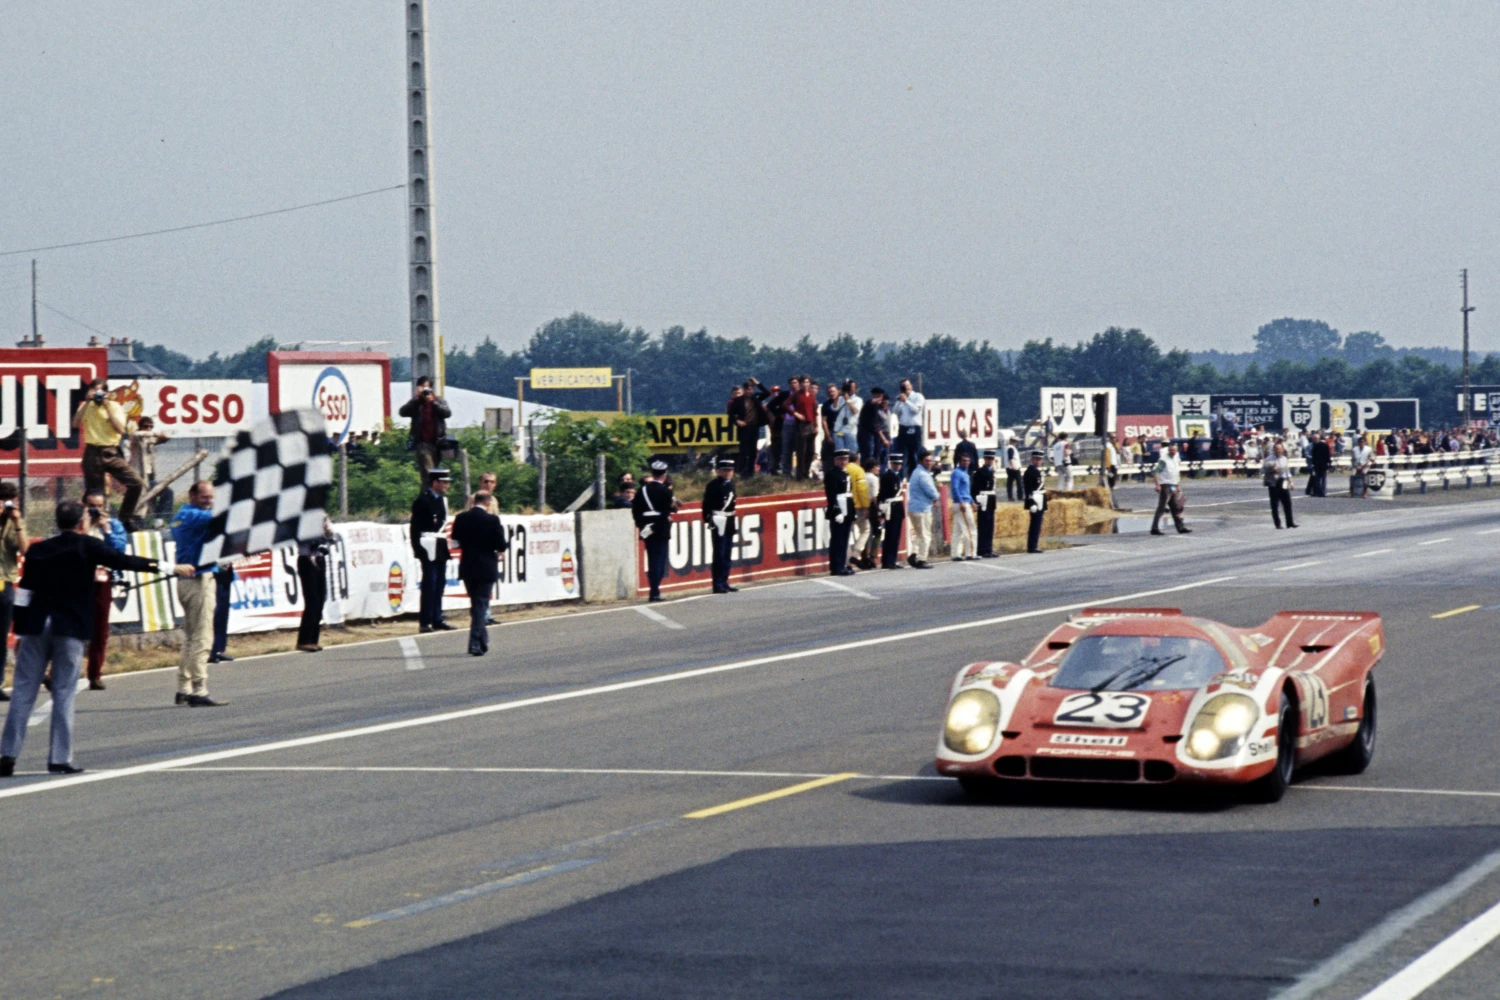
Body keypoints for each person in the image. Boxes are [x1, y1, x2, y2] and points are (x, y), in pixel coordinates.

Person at [1, 500, 192, 776]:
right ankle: (59, 758)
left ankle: (7, 755)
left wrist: (19, 626)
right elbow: (124, 560)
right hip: (69, 627)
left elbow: (25, 591)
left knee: (23, 691)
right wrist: (169, 567)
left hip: (36, 625)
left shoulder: (39, 549)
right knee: (64, 691)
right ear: (82, 523)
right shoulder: (87, 546)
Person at [170, 481, 229, 706]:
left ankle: (183, 687)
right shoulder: (195, 516)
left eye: (211, 497)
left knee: (191, 637)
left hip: (186, 581)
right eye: (205, 497)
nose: (209, 501)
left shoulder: (181, 515)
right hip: (197, 582)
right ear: (192, 495)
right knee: (203, 638)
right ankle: (199, 689)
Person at [73, 378, 144, 527]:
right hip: (93, 451)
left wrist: (106, 405)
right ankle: (91, 523)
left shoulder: (114, 406)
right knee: (95, 494)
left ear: (106, 392)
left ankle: (125, 518)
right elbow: (75, 423)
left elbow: (120, 428)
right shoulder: (87, 406)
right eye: (94, 391)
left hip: (111, 451)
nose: (97, 395)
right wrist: (87, 402)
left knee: (136, 483)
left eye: (100, 391)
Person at [452, 492, 509, 655]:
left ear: (474, 501)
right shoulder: (492, 520)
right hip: (486, 566)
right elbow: (501, 544)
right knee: (480, 604)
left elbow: (455, 542)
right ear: (489, 502)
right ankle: (474, 642)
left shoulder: (461, 518)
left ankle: (482, 639)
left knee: (476, 604)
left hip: (468, 566)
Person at [82, 491, 127, 690]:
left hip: (101, 578)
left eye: (99, 506)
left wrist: (106, 530)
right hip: (78, 579)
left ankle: (95, 674)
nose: (95, 510)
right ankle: (53, 671)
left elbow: (119, 550)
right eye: (91, 505)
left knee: (100, 629)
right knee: (69, 628)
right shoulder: (76, 522)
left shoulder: (113, 525)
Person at [411, 468, 455, 632]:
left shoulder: (442, 501)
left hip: (439, 546)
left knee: (440, 583)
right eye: (443, 482)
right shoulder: (422, 501)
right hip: (428, 545)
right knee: (429, 583)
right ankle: (425, 620)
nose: (446, 486)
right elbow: (415, 528)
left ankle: (437, 617)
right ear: (435, 483)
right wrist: (418, 549)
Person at [633, 459, 677, 600]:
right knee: (659, 560)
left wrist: (643, 526)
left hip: (646, 526)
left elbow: (636, 510)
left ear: (652, 473)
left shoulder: (642, 490)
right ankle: (655, 591)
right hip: (660, 528)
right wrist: (655, 526)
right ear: (664, 475)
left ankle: (654, 590)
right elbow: (665, 512)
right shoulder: (666, 491)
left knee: (651, 559)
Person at [0, 482, 29, 702]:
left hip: (4, 580)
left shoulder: (14, 521)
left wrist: (16, 523)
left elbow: (24, 549)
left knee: (1, 635)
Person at [397, 376, 452, 476]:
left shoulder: (439, 400)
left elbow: (447, 413)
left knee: (434, 473)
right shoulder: (416, 403)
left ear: (431, 388)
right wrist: (417, 401)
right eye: (421, 386)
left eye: (426, 387)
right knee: (429, 472)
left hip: (438, 442)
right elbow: (402, 412)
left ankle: (428, 491)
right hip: (423, 443)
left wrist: (433, 402)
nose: (424, 390)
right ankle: (430, 490)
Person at [296, 519, 335, 652]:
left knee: (320, 599)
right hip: (307, 559)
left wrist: (327, 531)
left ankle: (313, 639)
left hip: (319, 558)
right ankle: (304, 640)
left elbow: (331, 538)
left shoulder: (322, 517)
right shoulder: (304, 517)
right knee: (312, 600)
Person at [702, 458, 738, 593]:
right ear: (718, 471)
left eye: (730, 470)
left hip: (729, 519)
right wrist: (708, 519)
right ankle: (717, 583)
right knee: (719, 553)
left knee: (727, 552)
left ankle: (724, 580)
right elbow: (706, 504)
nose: (728, 473)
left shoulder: (731, 484)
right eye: (725, 470)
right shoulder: (713, 485)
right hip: (718, 519)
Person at [905, 449, 939, 568]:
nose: (929, 463)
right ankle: (922, 559)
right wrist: (936, 497)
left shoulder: (916, 472)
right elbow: (930, 490)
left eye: (930, 460)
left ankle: (913, 554)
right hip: (922, 508)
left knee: (919, 534)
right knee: (925, 535)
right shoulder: (923, 475)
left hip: (913, 507)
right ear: (920, 461)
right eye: (926, 461)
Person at [825, 449, 856, 576]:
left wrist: (852, 511)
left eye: (846, 459)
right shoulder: (832, 474)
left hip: (847, 508)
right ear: (835, 460)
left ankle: (842, 564)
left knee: (844, 539)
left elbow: (849, 495)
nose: (844, 462)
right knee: (837, 539)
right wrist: (836, 510)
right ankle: (836, 566)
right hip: (838, 508)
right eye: (841, 459)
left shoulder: (846, 474)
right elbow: (831, 495)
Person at [1150, 446, 1191, 536]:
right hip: (1165, 485)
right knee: (1161, 507)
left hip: (1174, 485)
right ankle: (1154, 528)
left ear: (1176, 451)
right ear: (1168, 450)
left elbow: (1175, 474)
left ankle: (1180, 527)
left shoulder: (1175, 459)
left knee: (1176, 507)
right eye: (1171, 450)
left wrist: (1177, 485)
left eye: (1174, 450)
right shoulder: (1164, 460)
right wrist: (1157, 485)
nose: (1172, 451)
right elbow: (1156, 472)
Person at [730, 379, 766, 477]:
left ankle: (750, 471)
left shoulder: (756, 398)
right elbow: (730, 415)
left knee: (753, 450)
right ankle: (741, 471)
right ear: (744, 390)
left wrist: (757, 383)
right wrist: (737, 421)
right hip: (743, 428)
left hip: (754, 427)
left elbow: (766, 393)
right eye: (747, 389)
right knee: (743, 450)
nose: (748, 391)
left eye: (750, 389)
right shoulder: (738, 400)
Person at [878, 453, 906, 570]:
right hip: (891, 506)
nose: (898, 465)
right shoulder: (887, 476)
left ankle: (891, 559)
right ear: (891, 463)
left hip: (897, 507)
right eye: (895, 463)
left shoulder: (897, 475)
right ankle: (888, 560)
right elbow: (884, 494)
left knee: (895, 536)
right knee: (891, 535)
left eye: (899, 463)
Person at [893, 379, 925, 475]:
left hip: (914, 427)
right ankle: (902, 477)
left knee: (914, 455)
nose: (906, 387)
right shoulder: (901, 399)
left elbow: (915, 410)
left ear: (911, 386)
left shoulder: (917, 396)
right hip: (903, 427)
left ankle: (914, 475)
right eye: (904, 386)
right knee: (902, 454)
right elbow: (895, 411)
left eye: (907, 385)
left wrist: (906, 401)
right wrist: (900, 401)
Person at [949, 452, 976, 561]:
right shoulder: (957, 472)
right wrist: (961, 502)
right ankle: (971, 553)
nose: (966, 463)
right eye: (964, 461)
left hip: (965, 501)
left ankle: (955, 553)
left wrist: (972, 501)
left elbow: (966, 491)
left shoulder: (966, 473)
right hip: (961, 503)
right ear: (959, 462)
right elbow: (955, 488)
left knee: (957, 530)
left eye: (968, 460)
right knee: (970, 529)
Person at [1263, 442, 1297, 529]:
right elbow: (1262, 470)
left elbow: (1287, 472)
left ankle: (1290, 522)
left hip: (1283, 481)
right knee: (1275, 505)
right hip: (1274, 482)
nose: (1278, 451)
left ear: (1282, 449)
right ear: (1274, 450)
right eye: (1276, 449)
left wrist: (1291, 482)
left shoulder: (1284, 459)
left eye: (1280, 449)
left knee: (1287, 503)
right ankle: (1277, 524)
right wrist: (1271, 470)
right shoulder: (1269, 459)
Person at [791, 376, 819, 479]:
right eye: (803, 382)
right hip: (801, 425)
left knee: (810, 451)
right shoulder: (797, 394)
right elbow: (785, 405)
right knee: (801, 451)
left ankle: (806, 473)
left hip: (811, 424)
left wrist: (816, 425)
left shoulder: (811, 395)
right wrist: (795, 413)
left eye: (807, 382)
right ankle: (800, 475)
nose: (805, 384)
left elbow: (814, 411)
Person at [849, 454, 874, 569]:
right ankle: (856, 553)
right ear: (857, 460)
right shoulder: (858, 470)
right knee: (865, 529)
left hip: (846, 505)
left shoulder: (844, 469)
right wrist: (866, 506)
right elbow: (862, 490)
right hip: (858, 505)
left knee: (846, 534)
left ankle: (845, 561)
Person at [973, 450, 998, 558]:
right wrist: (975, 501)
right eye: (988, 459)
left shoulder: (992, 471)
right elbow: (975, 488)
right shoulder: (980, 472)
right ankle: (982, 549)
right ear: (984, 459)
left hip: (990, 499)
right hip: (983, 499)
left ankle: (989, 548)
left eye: (991, 459)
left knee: (990, 526)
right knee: (983, 525)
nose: (990, 461)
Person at [858, 387, 890, 470]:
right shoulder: (870, 403)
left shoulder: (877, 406)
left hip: (873, 433)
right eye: (879, 396)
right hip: (866, 433)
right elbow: (871, 402)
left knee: (875, 455)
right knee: (868, 454)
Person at [209, 562, 235, 664]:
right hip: (214, 576)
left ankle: (219, 650)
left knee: (222, 615)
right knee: (215, 613)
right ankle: (211, 651)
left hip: (225, 575)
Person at [1023, 450, 1046, 554]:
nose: (1037, 461)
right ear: (1032, 459)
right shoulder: (1029, 472)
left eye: (1039, 459)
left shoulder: (1037, 471)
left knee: (1038, 523)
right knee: (1035, 523)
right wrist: (1031, 502)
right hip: (1034, 499)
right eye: (1036, 459)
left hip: (1040, 498)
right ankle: (1031, 546)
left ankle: (1034, 544)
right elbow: (1028, 489)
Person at [1309, 431, 1332, 498]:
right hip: (1320, 465)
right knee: (1320, 479)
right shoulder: (1322, 445)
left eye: (1315, 438)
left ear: (1318, 439)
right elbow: (1327, 456)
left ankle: (1320, 492)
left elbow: (1327, 455)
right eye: (1314, 438)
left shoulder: (1319, 446)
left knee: (1320, 479)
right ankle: (1320, 491)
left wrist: (1329, 463)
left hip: (1320, 465)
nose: (1314, 440)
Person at [1004, 436, 1022, 501]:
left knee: (1010, 483)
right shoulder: (1011, 448)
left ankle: (1010, 496)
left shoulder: (1007, 448)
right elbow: (1010, 457)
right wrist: (1013, 466)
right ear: (1011, 441)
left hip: (1009, 467)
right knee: (1019, 482)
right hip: (1014, 467)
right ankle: (1020, 496)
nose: (1015, 443)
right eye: (1014, 441)